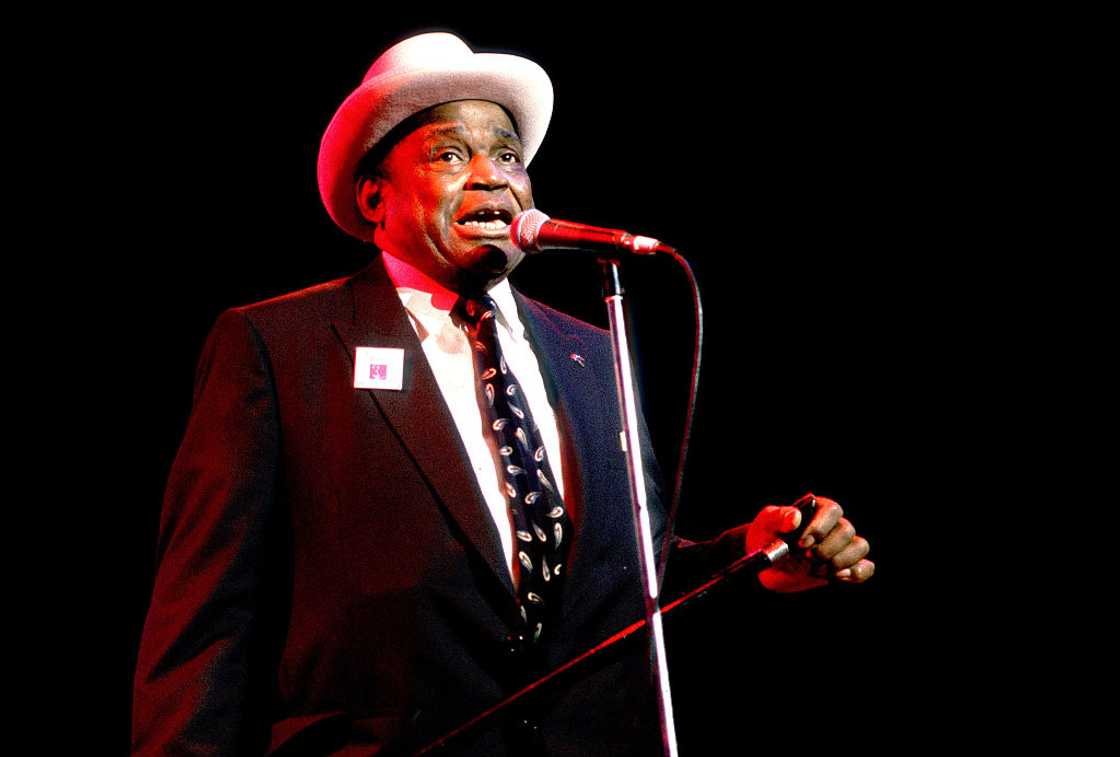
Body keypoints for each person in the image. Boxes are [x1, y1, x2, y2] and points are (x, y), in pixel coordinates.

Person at [131, 32, 874, 756]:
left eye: (509, 155)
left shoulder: (594, 351)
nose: (492, 177)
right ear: (374, 196)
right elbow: (207, 620)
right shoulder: (280, 345)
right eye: (451, 155)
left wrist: (755, 552)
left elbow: (627, 580)